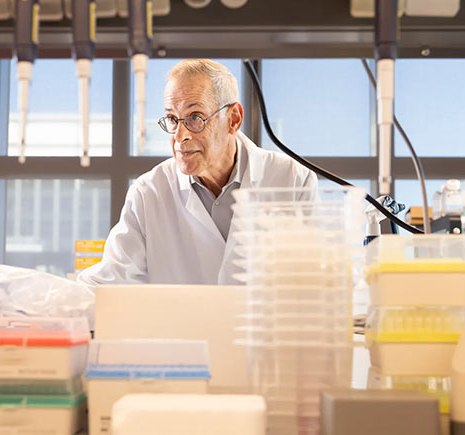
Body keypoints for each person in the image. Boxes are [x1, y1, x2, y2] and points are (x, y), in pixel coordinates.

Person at [78, 59, 317, 286]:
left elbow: (312, 282)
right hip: (179, 330)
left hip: (264, 330)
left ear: (233, 119)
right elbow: (111, 283)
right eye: (172, 118)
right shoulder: (148, 192)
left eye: (195, 117)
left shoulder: (293, 180)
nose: (180, 136)